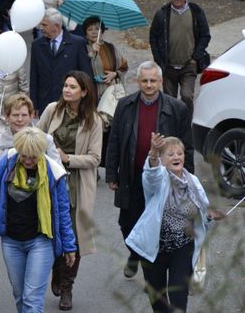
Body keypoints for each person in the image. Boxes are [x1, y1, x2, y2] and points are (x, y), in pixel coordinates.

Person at [0, 127, 77, 313]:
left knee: (31, 299)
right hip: (11, 242)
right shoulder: (9, 160)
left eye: (33, 157)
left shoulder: (55, 172)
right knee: (20, 296)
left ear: (41, 153)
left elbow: (63, 213)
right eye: (24, 156)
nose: (28, 161)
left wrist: (69, 246)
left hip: (41, 241)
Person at [105, 61, 194, 280]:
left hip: (164, 180)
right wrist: (111, 174)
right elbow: (114, 141)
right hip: (132, 175)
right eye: (144, 81)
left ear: (161, 82)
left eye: (153, 81)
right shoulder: (125, 105)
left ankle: (151, 267)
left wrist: (187, 179)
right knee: (126, 224)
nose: (148, 85)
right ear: (138, 82)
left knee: (158, 223)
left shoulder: (177, 108)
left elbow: (187, 146)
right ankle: (135, 253)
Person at [126, 134, 224, 313]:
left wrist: (210, 215)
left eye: (179, 153)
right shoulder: (159, 179)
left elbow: (203, 212)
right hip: (155, 248)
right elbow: (150, 176)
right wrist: (153, 154)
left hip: (183, 247)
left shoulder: (192, 181)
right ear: (163, 160)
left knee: (179, 298)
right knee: (158, 300)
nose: (176, 157)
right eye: (170, 154)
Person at [37, 71, 103, 310]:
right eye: (65, 85)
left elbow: (95, 158)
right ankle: (57, 267)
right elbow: (36, 136)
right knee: (50, 232)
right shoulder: (52, 110)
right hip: (48, 180)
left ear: (84, 92)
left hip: (75, 183)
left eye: (73, 87)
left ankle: (67, 287)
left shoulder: (93, 120)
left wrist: (68, 158)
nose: (67, 90)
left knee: (73, 239)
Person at [149, 0, 211, 114]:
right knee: (169, 101)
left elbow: (205, 36)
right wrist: (159, 61)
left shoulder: (196, 12)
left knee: (187, 96)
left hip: (189, 65)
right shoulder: (162, 14)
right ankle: (171, 127)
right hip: (168, 67)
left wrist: (196, 56)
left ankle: (186, 126)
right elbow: (153, 37)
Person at [30, 8, 92, 116]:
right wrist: (34, 104)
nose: (41, 29)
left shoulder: (77, 43)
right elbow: (34, 76)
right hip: (45, 102)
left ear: (57, 26)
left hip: (71, 102)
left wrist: (87, 102)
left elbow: (86, 75)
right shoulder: (37, 45)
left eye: (45, 25)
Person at [0, 93, 61, 170]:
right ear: (7, 117)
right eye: (15, 115)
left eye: (24, 115)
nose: (20, 119)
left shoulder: (46, 140)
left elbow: (58, 173)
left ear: (32, 116)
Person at [83, 16, 128, 100]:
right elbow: (78, 67)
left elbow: (124, 65)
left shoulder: (110, 48)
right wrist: (91, 53)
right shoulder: (82, 48)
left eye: (97, 29)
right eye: (90, 29)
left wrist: (115, 74)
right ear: (85, 33)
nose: (94, 32)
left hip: (110, 94)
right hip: (90, 94)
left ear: (102, 31)